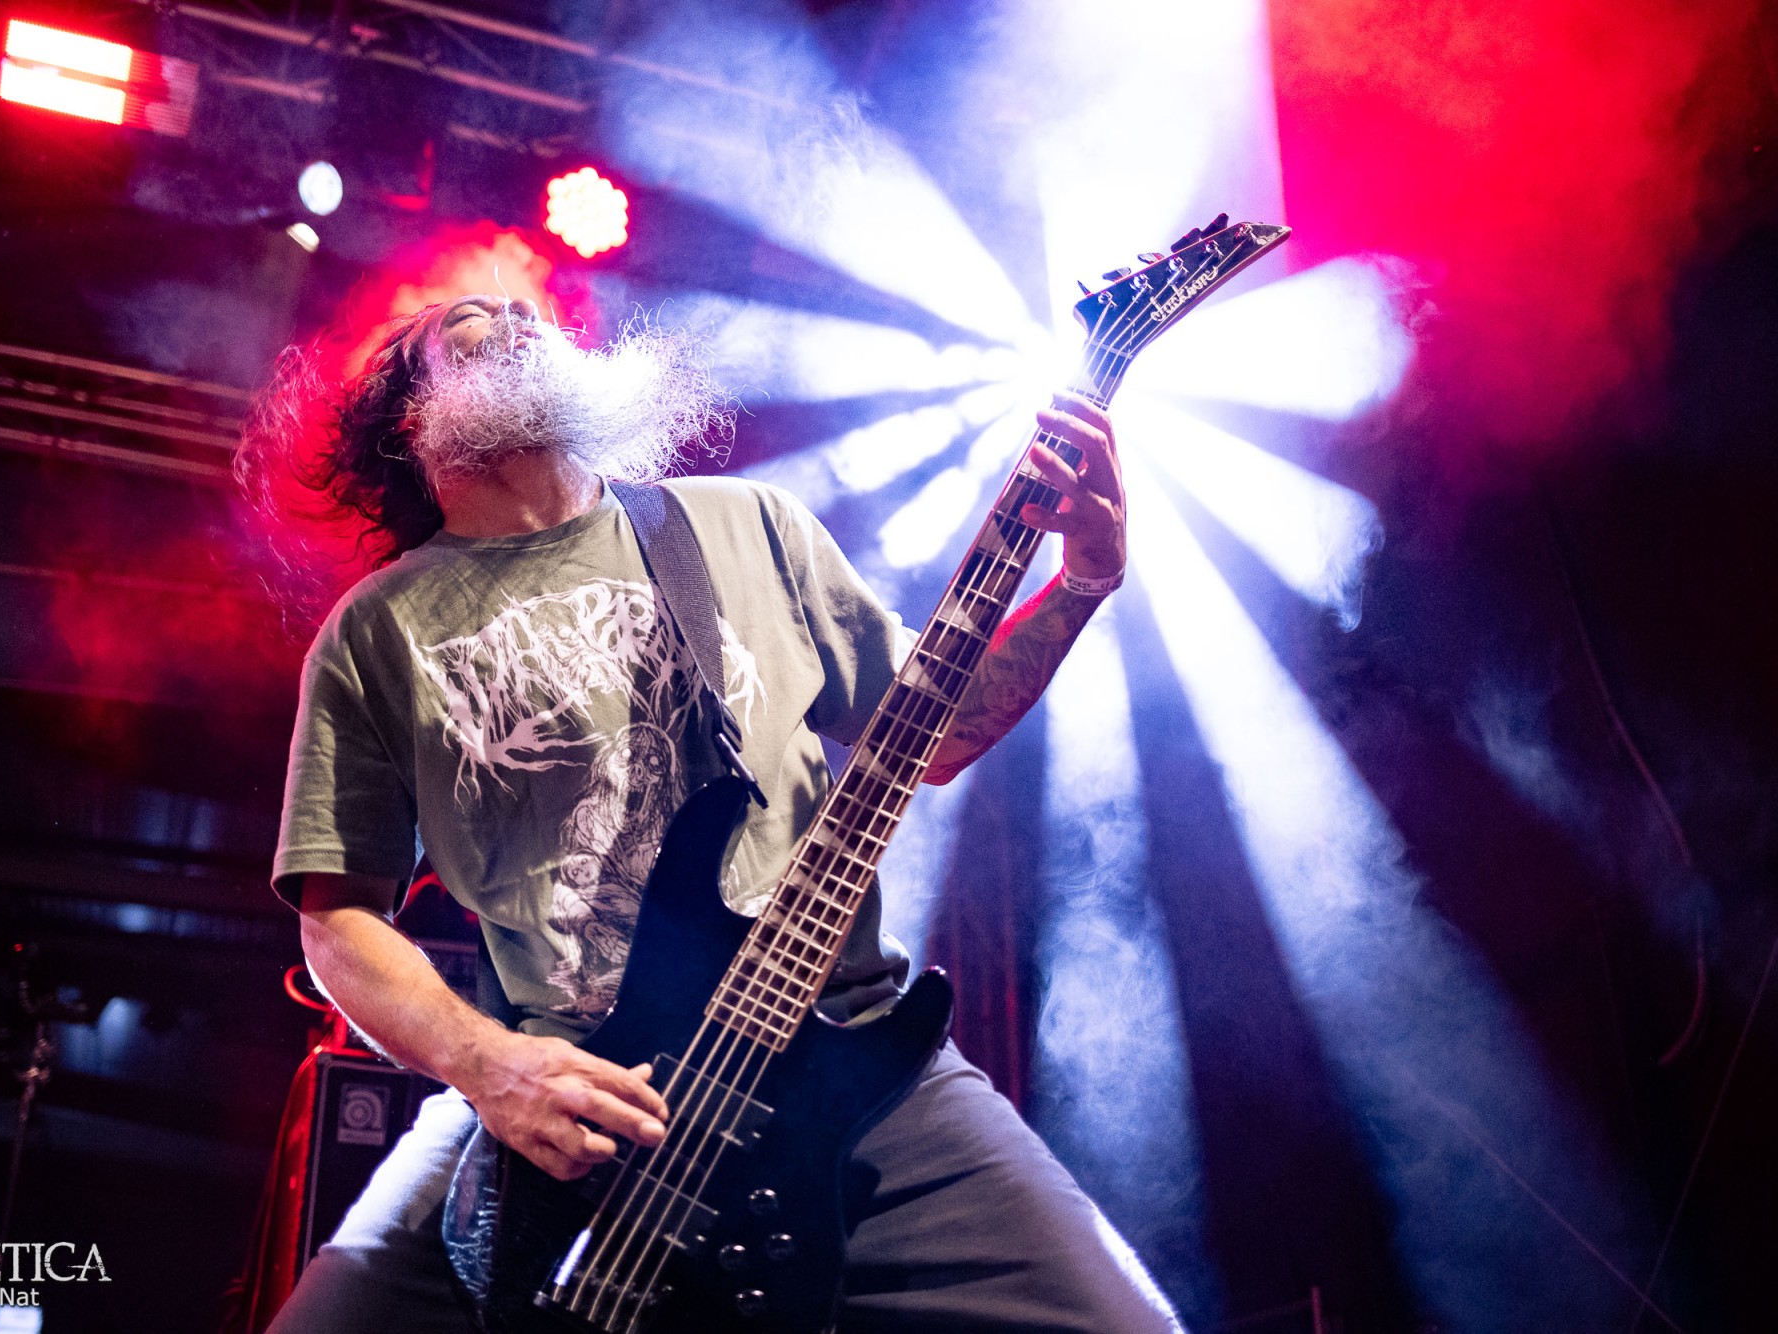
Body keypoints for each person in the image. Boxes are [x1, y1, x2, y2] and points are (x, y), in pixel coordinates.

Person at [247, 294, 1183, 1332]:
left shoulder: (744, 526)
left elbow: (943, 728)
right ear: (410, 412)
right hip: (564, 1092)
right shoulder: (375, 632)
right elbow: (338, 918)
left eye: (525, 306)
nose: (514, 307)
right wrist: (489, 1066)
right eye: (468, 317)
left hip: (845, 1049)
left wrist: (1084, 577)